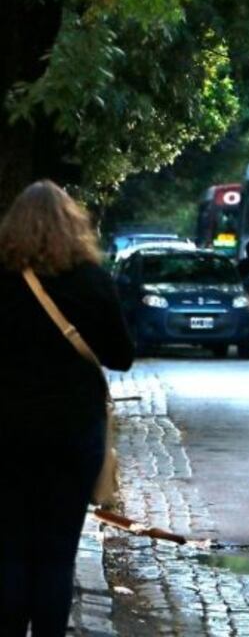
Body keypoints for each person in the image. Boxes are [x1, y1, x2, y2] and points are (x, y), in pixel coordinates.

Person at [0, 181, 135, 636]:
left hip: (7, 432)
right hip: (73, 431)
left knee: (10, 548)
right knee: (58, 552)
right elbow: (121, 356)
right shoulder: (91, 280)